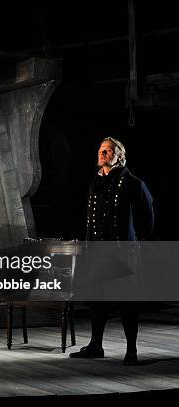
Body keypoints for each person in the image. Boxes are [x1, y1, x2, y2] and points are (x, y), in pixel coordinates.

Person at [70, 137, 153, 365]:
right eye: (101, 150)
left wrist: (136, 244)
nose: (103, 153)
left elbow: (147, 217)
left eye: (108, 150)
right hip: (97, 253)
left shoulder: (133, 183)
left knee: (127, 302)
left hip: (122, 253)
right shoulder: (94, 183)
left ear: (119, 156)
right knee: (97, 302)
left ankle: (132, 351)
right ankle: (96, 345)